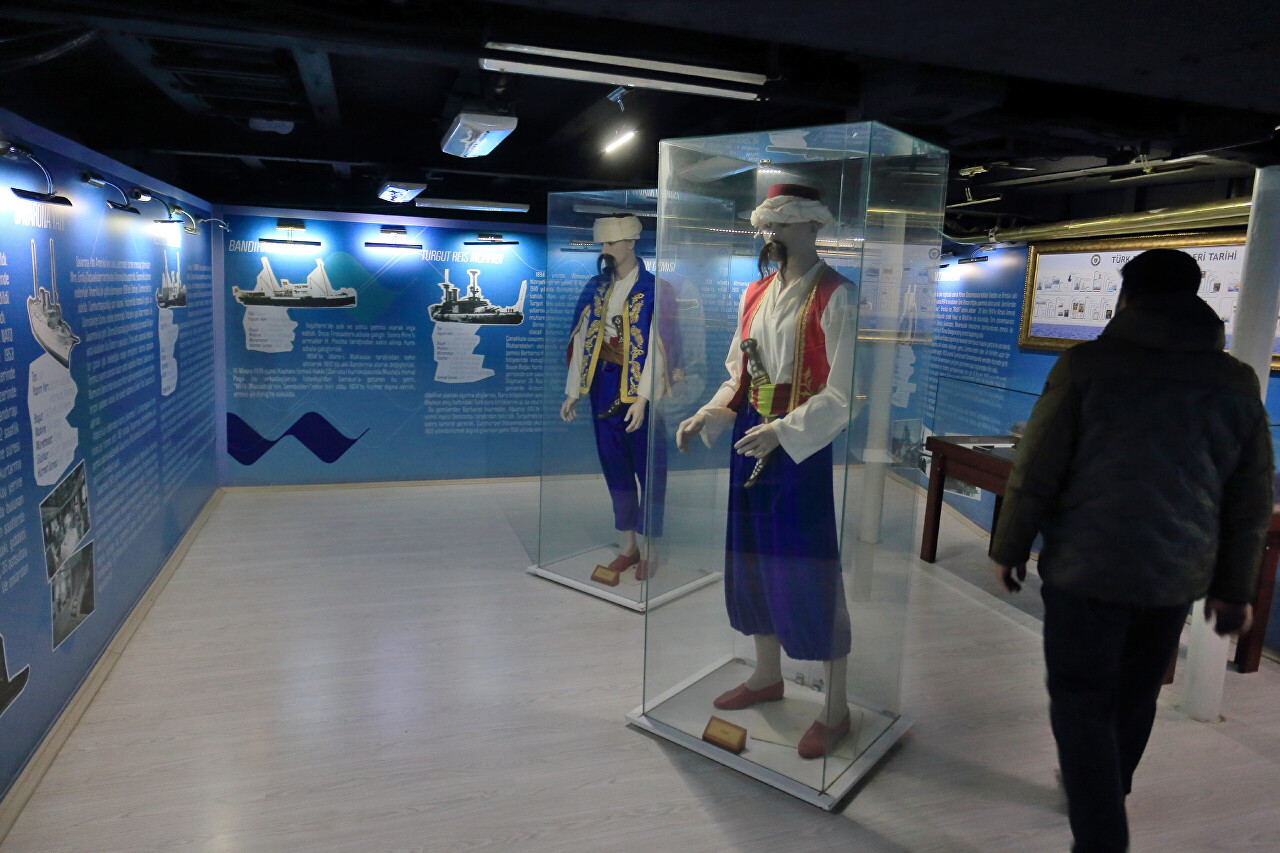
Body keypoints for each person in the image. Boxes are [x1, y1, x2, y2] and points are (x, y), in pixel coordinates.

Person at [989, 248, 1273, 853]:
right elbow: (1249, 500)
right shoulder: (1236, 380)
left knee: (1081, 700)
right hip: (1173, 576)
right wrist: (1233, 589)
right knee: (1136, 694)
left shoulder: (1087, 365)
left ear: (1126, 296)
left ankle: (1101, 837)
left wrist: (1010, 546)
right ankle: (1109, 790)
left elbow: (1036, 468)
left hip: (1085, 571)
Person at [676, 184, 859, 758]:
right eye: (765, 227)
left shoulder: (837, 295)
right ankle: (765, 673)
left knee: (807, 563)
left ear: (811, 226)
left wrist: (783, 431)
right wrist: (711, 412)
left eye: (780, 226)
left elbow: (844, 391)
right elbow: (740, 371)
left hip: (800, 442)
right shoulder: (754, 292)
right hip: (752, 431)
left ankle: (836, 706)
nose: (770, 236)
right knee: (750, 556)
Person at [562, 214, 668, 580]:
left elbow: (659, 346)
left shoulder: (655, 289)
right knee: (614, 464)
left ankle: (651, 546)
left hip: (641, 389)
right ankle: (628, 544)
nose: (605, 249)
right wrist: (574, 391)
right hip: (603, 384)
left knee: (649, 469)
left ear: (630, 244)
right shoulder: (595, 286)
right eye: (603, 244)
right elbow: (581, 337)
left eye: (611, 243)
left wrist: (643, 397)